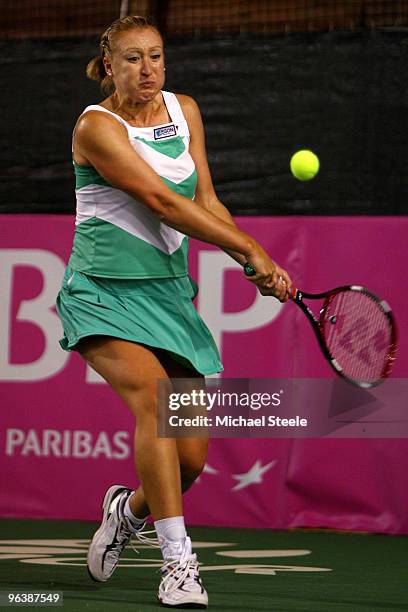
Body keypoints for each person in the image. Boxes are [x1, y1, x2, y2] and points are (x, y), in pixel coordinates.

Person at [56, 14, 292, 609]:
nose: (147, 70)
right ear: (108, 65)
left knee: (188, 461)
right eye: (133, 59)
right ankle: (178, 564)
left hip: (168, 298)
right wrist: (249, 247)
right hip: (103, 293)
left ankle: (126, 510)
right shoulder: (96, 126)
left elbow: (204, 197)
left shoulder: (183, 111)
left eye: (156, 56)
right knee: (154, 402)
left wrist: (254, 265)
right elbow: (162, 201)